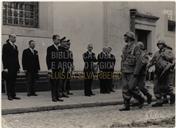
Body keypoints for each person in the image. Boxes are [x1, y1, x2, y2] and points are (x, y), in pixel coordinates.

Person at [119, 31, 145, 111]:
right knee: (125, 88)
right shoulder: (125, 47)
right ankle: (126, 105)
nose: (124, 38)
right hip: (125, 70)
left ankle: (141, 98)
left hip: (132, 71)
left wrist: (136, 72)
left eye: (125, 36)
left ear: (130, 37)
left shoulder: (136, 47)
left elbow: (139, 61)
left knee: (131, 88)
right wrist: (121, 69)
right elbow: (123, 60)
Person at [148, 40, 175, 107]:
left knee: (167, 87)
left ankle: (172, 95)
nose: (159, 45)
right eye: (158, 44)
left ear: (164, 45)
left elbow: (173, 59)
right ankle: (159, 101)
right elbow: (152, 61)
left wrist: (165, 55)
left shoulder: (168, 51)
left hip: (166, 71)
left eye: (161, 44)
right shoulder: (157, 53)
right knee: (156, 87)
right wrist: (148, 66)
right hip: (158, 72)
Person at [131, 42, 152, 106]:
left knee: (141, 87)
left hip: (141, 73)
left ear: (141, 47)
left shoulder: (144, 54)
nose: (137, 48)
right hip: (134, 72)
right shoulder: (135, 54)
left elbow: (143, 63)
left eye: (139, 46)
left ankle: (148, 95)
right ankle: (137, 100)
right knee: (133, 87)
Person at [2, 34, 21, 100]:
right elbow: (4, 57)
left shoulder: (15, 46)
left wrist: (18, 67)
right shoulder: (5, 46)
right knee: (9, 81)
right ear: (9, 38)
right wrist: (5, 67)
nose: (15, 39)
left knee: (14, 81)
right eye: (13, 37)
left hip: (15, 67)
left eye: (15, 37)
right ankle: (9, 95)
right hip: (9, 67)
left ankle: (13, 95)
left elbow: (16, 58)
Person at [46, 35, 64, 102]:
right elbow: (48, 59)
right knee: (53, 83)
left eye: (59, 40)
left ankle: (57, 96)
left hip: (59, 68)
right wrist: (49, 68)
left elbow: (62, 59)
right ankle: (53, 97)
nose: (59, 41)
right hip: (53, 68)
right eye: (57, 39)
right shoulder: (50, 48)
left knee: (58, 83)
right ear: (53, 40)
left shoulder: (60, 48)